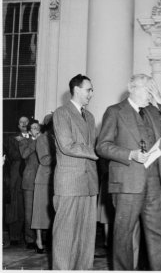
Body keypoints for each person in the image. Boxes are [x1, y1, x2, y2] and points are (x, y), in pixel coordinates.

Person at [96, 74, 161, 270]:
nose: (150, 93)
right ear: (131, 88)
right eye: (147, 88)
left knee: (158, 233)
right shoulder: (115, 111)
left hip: (154, 180)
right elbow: (102, 146)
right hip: (127, 182)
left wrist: (159, 100)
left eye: (152, 89)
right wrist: (130, 154)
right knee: (124, 234)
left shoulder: (152, 111)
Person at [52, 74, 99, 270]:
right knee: (65, 237)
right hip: (70, 183)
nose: (91, 93)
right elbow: (67, 145)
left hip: (89, 183)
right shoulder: (62, 113)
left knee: (86, 238)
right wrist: (96, 152)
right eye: (89, 89)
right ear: (77, 89)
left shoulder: (90, 116)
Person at [31, 114, 56, 253]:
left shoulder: (55, 138)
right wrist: (60, 157)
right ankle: (39, 241)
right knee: (40, 213)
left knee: (51, 213)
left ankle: (49, 241)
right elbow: (44, 160)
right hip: (43, 180)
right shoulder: (41, 139)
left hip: (54, 179)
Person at [4, 116, 29, 246]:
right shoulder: (11, 139)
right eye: (21, 122)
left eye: (26, 122)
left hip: (31, 175)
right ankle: (14, 236)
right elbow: (14, 155)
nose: (24, 123)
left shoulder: (35, 137)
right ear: (18, 125)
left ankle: (30, 238)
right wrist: (26, 144)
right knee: (15, 205)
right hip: (16, 176)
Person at [19, 119, 41, 250]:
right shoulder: (24, 141)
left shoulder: (43, 140)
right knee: (29, 212)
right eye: (33, 128)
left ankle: (41, 238)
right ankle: (30, 239)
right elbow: (24, 154)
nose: (36, 130)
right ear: (29, 130)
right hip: (29, 181)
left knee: (40, 210)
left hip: (42, 179)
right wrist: (35, 141)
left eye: (37, 127)